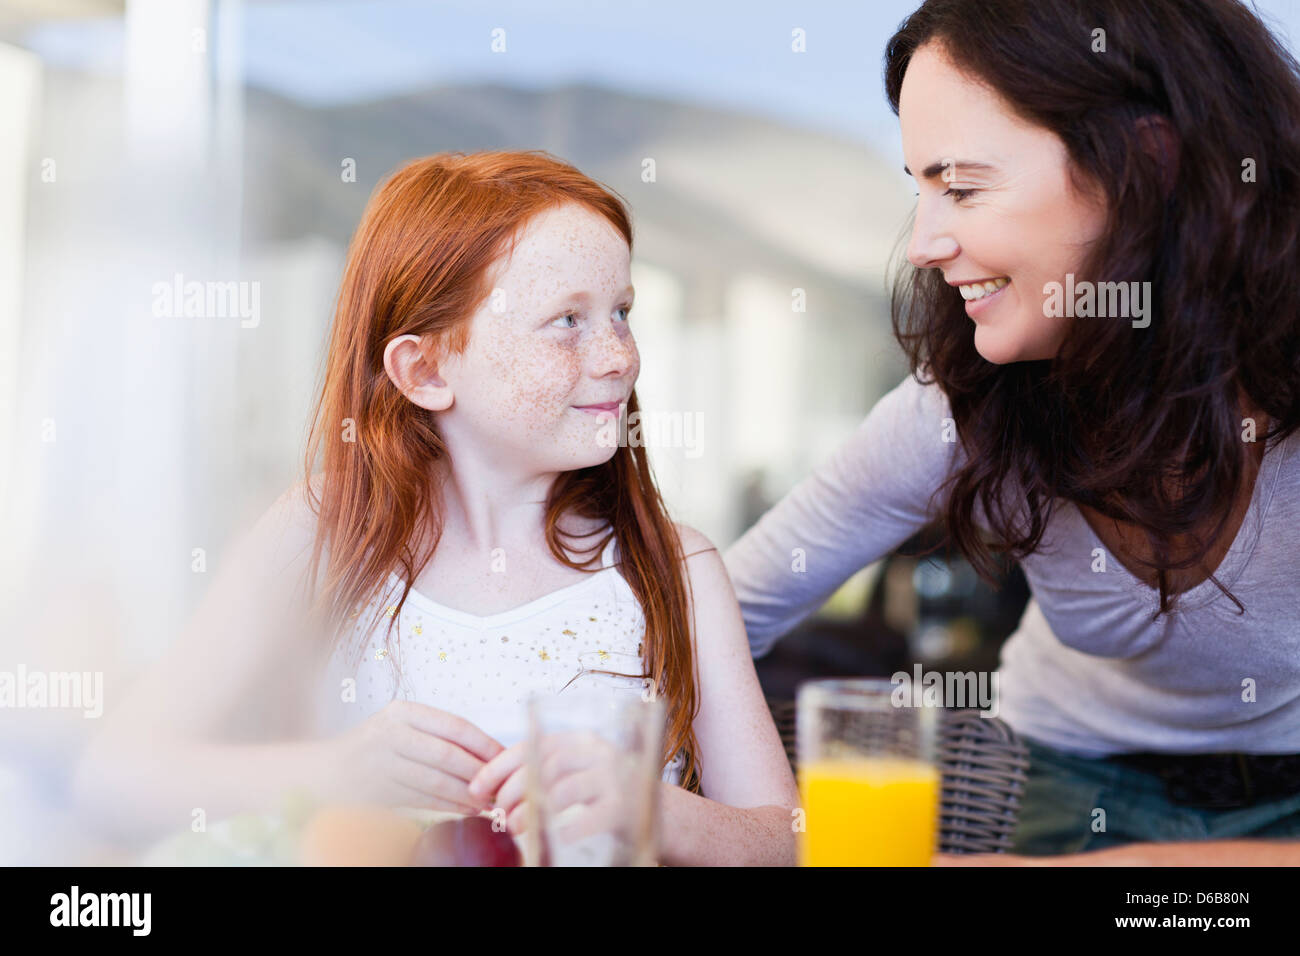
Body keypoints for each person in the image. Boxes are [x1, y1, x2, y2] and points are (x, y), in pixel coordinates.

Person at [73, 151, 797, 866]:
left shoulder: (674, 567)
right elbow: (114, 779)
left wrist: (660, 814)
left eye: (621, 312)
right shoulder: (320, 535)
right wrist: (334, 774)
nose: (620, 356)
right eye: (567, 321)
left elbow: (794, 840)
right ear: (424, 370)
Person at [724, 0, 1300, 864]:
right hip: (1066, 777)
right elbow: (720, 610)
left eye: (960, 187)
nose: (922, 242)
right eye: (916, 189)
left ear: (1144, 163)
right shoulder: (960, 407)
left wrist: (1143, 874)